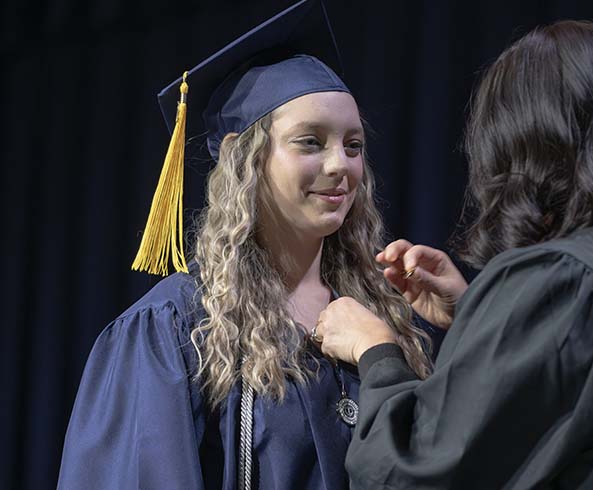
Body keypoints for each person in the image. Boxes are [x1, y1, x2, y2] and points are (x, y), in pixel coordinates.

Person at [315, 20, 593, 489]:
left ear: (519, 146)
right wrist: (479, 312)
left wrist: (376, 351)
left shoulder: (566, 282)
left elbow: (409, 474)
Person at [57, 1, 431, 489]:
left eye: (353, 145)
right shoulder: (181, 326)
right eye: (311, 142)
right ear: (245, 159)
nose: (341, 164)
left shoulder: (373, 318)